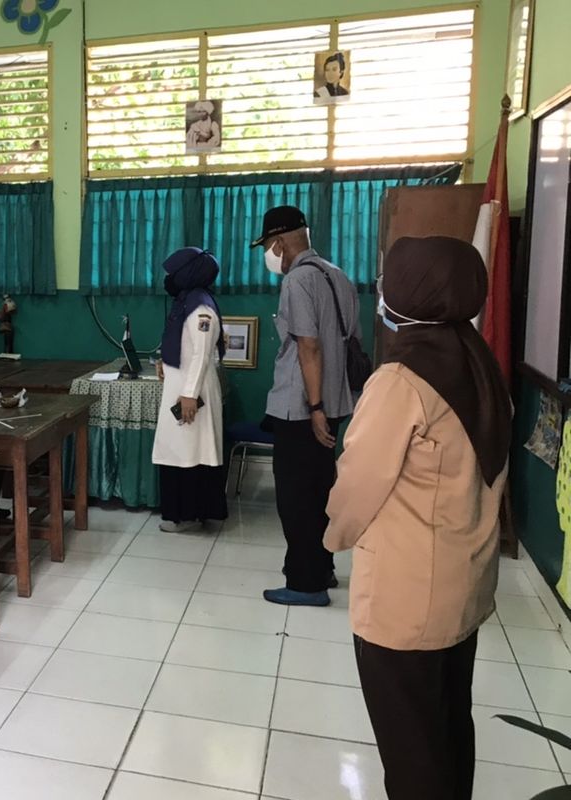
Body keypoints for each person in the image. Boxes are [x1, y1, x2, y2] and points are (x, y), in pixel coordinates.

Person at [325, 237, 511, 799]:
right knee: (450, 728)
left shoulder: (401, 380)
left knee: (411, 752)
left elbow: (358, 482)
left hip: (407, 602)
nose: (382, 291)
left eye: (390, 280)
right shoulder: (480, 363)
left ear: (413, 292)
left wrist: (331, 536)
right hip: (463, 586)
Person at [253, 205, 359, 607]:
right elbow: (350, 341)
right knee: (320, 491)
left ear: (279, 243)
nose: (268, 254)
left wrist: (313, 407)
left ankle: (305, 583)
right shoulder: (339, 275)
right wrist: (326, 405)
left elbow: (308, 346)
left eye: (267, 245)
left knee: (296, 497)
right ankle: (322, 567)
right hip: (337, 400)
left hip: (303, 408)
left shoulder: (297, 281)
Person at [152, 247, 228, 532]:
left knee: (190, 453)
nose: (169, 279)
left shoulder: (201, 308)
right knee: (180, 451)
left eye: (174, 273)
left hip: (191, 391)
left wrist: (189, 394)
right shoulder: (186, 302)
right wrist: (164, 359)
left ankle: (187, 517)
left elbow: (202, 353)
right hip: (181, 384)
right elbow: (181, 343)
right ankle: (185, 514)